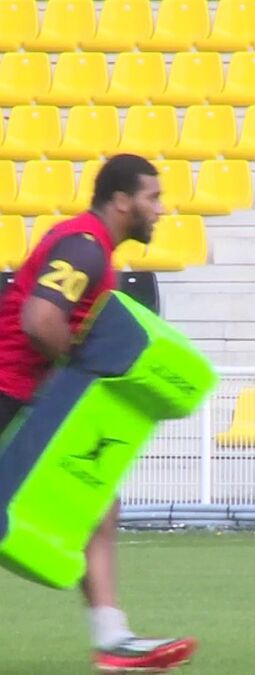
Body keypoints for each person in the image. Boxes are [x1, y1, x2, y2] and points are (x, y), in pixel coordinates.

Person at [0, 155, 198, 670]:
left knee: (97, 504)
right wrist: (72, 377)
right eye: (152, 197)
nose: (160, 208)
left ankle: (112, 636)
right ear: (121, 201)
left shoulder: (93, 251)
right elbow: (41, 319)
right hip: (9, 391)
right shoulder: (84, 249)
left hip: (21, 395)